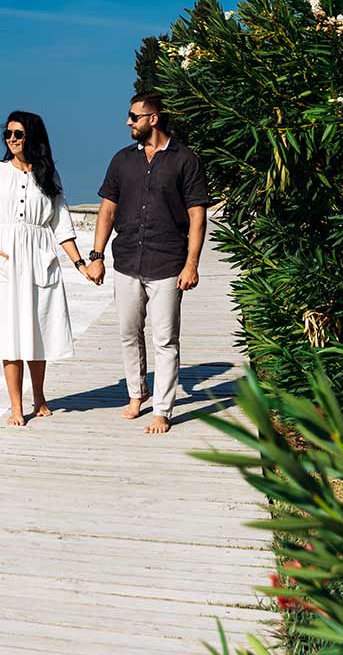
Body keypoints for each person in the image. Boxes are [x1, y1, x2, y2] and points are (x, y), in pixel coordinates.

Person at [83, 91, 211, 434]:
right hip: (126, 260)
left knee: (165, 339)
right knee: (128, 332)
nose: (128, 122)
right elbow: (107, 210)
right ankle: (136, 394)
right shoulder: (122, 160)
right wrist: (96, 256)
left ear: (153, 119)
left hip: (168, 262)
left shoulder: (185, 160)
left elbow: (197, 216)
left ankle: (163, 409)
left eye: (134, 116)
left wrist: (192, 264)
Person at [0, 111, 89, 426]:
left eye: (18, 134)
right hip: (6, 259)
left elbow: (61, 225)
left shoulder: (49, 176)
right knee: (9, 335)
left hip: (39, 256)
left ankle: (39, 397)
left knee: (38, 330)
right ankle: (16, 405)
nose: (12, 139)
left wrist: (80, 263)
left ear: (32, 137)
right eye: (8, 134)